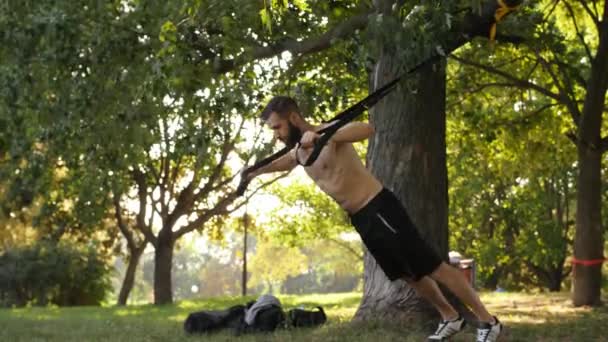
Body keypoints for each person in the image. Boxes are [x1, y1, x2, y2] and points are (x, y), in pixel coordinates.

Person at [243, 96, 503, 342]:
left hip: (380, 208)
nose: (276, 134)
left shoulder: (328, 133)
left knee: (435, 267)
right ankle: (450, 316)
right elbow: (282, 164)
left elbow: (366, 128)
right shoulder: (299, 151)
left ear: (294, 118)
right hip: (362, 219)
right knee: (409, 274)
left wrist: (322, 136)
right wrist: (254, 172)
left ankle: (488, 322)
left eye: (278, 127)